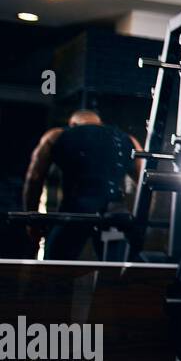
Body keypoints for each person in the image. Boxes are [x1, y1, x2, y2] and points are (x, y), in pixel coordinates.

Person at [21, 110, 142, 260]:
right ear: (100, 123)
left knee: (54, 270)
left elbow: (34, 178)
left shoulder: (56, 135)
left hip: (75, 211)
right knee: (116, 273)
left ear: (72, 124)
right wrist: (140, 224)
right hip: (114, 214)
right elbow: (146, 183)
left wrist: (32, 221)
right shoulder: (130, 140)